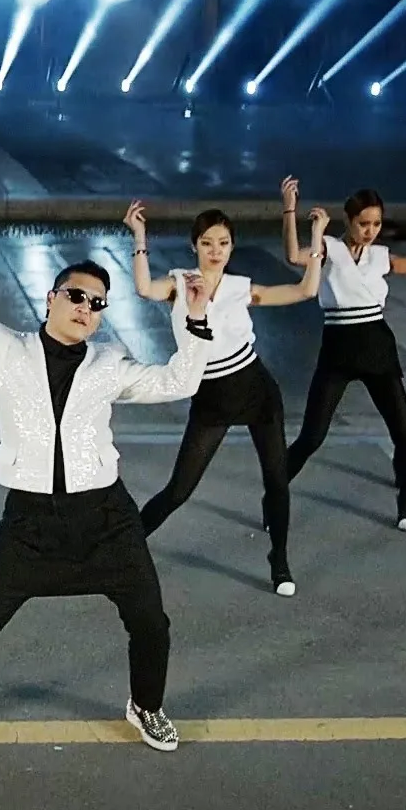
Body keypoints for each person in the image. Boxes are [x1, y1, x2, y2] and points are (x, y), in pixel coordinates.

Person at [0, 251, 212, 753]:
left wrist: (195, 319)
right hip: (30, 522)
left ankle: (147, 706)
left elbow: (179, 382)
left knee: (151, 623)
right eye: (76, 296)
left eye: (97, 304)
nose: (85, 308)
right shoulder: (4, 348)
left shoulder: (109, 362)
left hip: (107, 519)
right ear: (51, 298)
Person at [128, 201, 322, 597]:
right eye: (207, 242)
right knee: (179, 489)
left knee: (277, 480)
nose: (215, 250)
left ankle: (279, 560)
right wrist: (139, 236)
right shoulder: (179, 283)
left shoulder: (240, 288)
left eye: (223, 243)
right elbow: (144, 288)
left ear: (232, 246)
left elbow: (306, 289)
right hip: (211, 397)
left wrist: (316, 239)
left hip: (256, 389)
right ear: (195, 246)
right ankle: (124, 547)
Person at [277, 175, 406, 532]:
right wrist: (289, 209)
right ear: (349, 220)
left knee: (404, 433)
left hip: (377, 344)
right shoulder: (329, 248)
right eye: (364, 223)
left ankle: (404, 494)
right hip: (338, 347)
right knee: (312, 436)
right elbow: (293, 255)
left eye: (376, 224)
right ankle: (275, 492)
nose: (370, 231)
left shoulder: (380, 256)